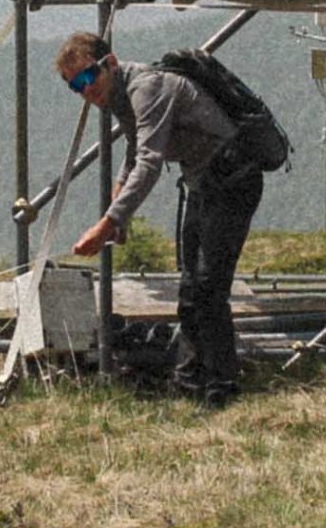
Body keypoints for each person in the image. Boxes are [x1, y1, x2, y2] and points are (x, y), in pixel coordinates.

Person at [58, 31, 266, 407]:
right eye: (75, 87)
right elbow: (134, 151)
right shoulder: (119, 96)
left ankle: (222, 385)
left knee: (208, 287)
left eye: (89, 77)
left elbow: (149, 162)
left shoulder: (146, 87)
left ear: (110, 63)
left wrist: (108, 223)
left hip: (232, 181)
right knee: (190, 288)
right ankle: (190, 381)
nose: (86, 90)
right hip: (203, 183)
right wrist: (118, 213)